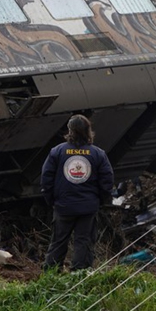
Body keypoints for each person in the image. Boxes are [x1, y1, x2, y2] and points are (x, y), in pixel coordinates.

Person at [41, 115, 114, 272]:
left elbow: (46, 179)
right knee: (84, 242)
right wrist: (99, 200)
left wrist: (52, 200)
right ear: (88, 130)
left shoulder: (57, 152)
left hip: (63, 206)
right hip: (88, 207)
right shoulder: (98, 154)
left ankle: (51, 274)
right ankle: (79, 275)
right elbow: (107, 181)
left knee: (58, 241)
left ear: (69, 131)